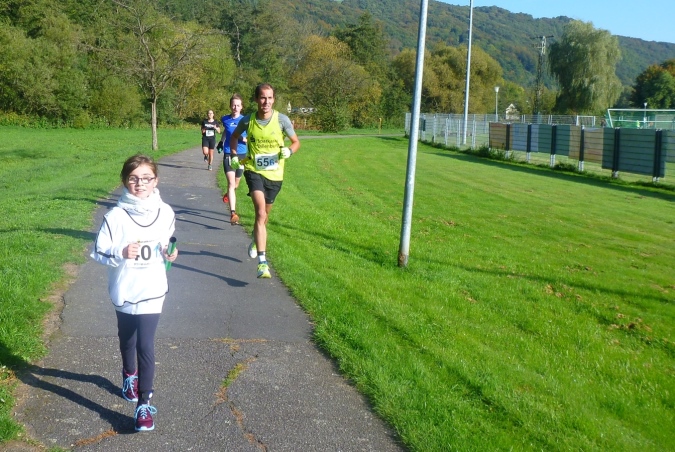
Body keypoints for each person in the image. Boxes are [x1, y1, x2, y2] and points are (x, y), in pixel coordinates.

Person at [90, 154, 178, 432]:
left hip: (153, 287)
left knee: (145, 345)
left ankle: (144, 403)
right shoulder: (114, 217)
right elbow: (98, 251)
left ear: (156, 181)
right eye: (133, 178)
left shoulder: (166, 212)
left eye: (146, 178)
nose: (140, 184)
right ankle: (129, 374)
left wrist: (170, 253)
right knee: (127, 338)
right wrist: (121, 251)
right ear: (125, 181)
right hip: (125, 288)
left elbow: (167, 244)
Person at [229, 83, 300, 278]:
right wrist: (234, 155)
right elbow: (234, 137)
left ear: (273, 99)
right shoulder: (248, 120)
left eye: (269, 98)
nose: (266, 102)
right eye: (262, 97)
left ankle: (256, 239)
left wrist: (289, 151)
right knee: (260, 212)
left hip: (275, 175)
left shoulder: (282, 120)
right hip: (254, 171)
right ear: (256, 99)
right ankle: (262, 263)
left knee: (264, 216)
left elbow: (296, 142)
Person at [217, 94, 248, 225]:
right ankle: (233, 213)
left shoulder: (246, 120)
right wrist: (221, 141)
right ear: (230, 106)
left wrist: (242, 138)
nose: (235, 107)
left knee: (236, 184)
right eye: (233, 105)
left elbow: (249, 137)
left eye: (238, 105)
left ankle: (228, 194)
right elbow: (226, 131)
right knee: (231, 184)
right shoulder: (225, 119)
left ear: (241, 107)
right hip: (229, 153)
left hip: (241, 155)